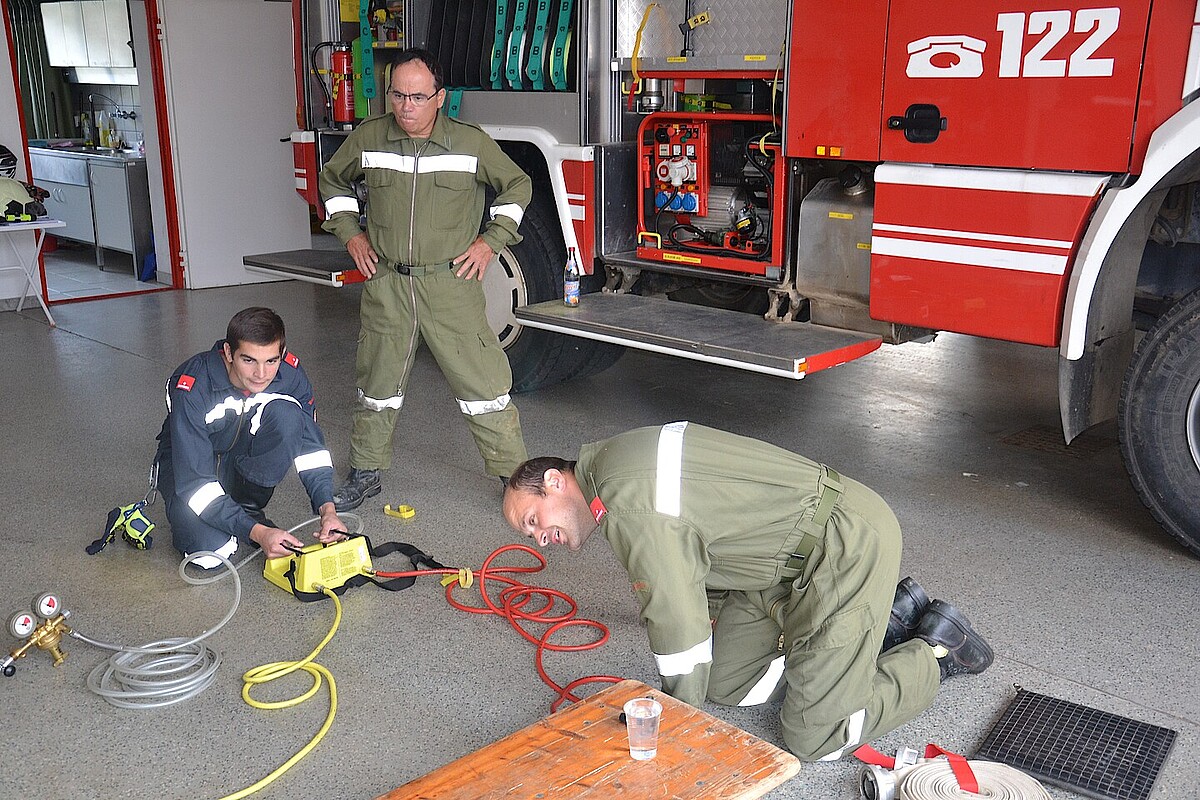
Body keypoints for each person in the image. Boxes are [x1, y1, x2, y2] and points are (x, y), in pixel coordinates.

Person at [502, 422, 993, 762]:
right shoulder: (612, 462)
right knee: (725, 682)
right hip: (781, 570)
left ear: (552, 481)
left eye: (533, 521)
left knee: (814, 739)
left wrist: (677, 721)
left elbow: (676, 621)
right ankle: (867, 630)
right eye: (530, 537)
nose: (540, 538)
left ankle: (931, 652)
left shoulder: (626, 504)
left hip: (844, 551)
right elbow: (698, 557)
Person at [318, 47, 531, 511]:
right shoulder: (370, 137)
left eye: (417, 96)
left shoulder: (470, 143)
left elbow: (519, 186)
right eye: (398, 95)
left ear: (440, 97)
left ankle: (513, 476)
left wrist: (490, 241)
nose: (406, 106)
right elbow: (333, 181)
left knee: (484, 386)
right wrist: (352, 235)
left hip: (449, 284)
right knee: (376, 379)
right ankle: (366, 470)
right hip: (388, 283)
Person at [155, 307, 346, 568]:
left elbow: (311, 449)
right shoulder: (193, 385)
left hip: (239, 458)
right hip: (192, 470)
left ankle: (248, 508)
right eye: (249, 360)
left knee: (290, 418)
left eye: (271, 361)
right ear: (228, 353)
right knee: (212, 556)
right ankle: (239, 522)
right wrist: (258, 533)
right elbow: (196, 484)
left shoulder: (289, 375)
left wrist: (328, 510)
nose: (262, 374)